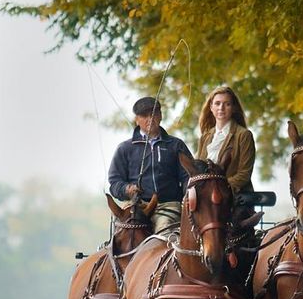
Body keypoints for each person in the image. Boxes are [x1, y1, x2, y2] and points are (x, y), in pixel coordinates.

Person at [108, 96, 193, 233]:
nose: (150, 118)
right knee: (128, 236)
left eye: (153, 114)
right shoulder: (124, 148)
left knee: (163, 233)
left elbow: (188, 177)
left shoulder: (176, 145)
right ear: (137, 119)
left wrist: (189, 196)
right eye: (144, 115)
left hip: (168, 206)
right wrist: (127, 189)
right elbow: (114, 183)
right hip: (134, 206)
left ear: (160, 116)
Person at [197, 86, 255, 195]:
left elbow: (244, 174)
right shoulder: (205, 137)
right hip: (206, 196)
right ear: (211, 107)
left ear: (233, 108)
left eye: (227, 104)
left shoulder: (244, 135)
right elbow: (198, 168)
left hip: (233, 196)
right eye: (217, 103)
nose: (221, 108)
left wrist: (219, 187)